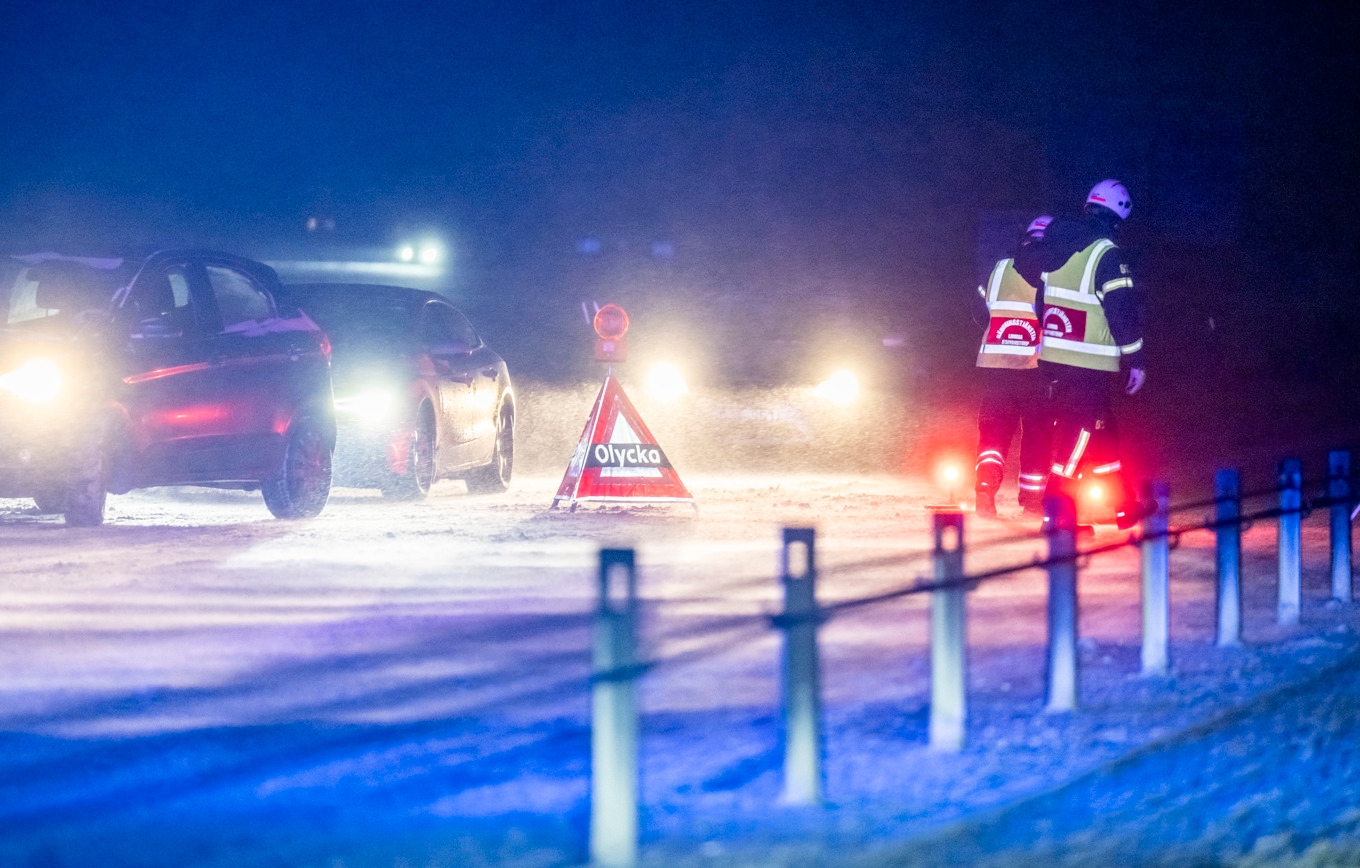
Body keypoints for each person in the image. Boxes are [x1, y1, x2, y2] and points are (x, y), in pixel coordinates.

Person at [1014, 179, 1148, 529]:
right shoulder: (1106, 253)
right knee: (1082, 430)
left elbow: (1041, 300)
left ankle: (1124, 506)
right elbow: (1122, 312)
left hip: (1054, 357)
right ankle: (1056, 508)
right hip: (1088, 362)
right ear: (1118, 217)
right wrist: (1135, 360)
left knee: (1102, 430)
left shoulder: (1058, 246)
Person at [972, 215, 1053, 518]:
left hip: (996, 367)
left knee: (993, 432)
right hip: (1036, 369)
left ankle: (985, 491)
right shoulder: (1054, 272)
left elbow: (978, 310)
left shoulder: (1000, 268)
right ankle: (1032, 502)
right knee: (1037, 435)